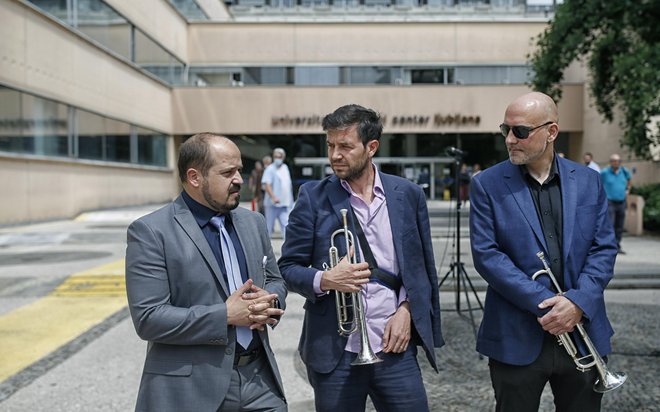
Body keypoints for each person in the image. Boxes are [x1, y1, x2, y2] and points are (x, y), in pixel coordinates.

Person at [278, 104, 444, 412]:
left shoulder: (407, 194)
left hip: (395, 347)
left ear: (371, 147)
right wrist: (325, 279)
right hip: (336, 352)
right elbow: (287, 268)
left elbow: (421, 268)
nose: (335, 155)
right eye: (330, 146)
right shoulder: (312, 197)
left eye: (345, 146)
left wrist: (407, 309)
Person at [469, 92, 618, 411]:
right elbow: (488, 256)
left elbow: (604, 248)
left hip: (585, 332)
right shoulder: (486, 184)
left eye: (520, 131)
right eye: (505, 130)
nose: (510, 139)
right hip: (515, 336)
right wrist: (552, 306)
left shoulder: (589, 181)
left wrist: (577, 302)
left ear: (551, 132)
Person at [125, 133, 287, 412]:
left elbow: (274, 279)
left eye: (239, 169)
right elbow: (149, 318)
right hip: (192, 389)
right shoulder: (151, 232)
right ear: (194, 177)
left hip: (260, 381)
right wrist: (225, 316)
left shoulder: (254, 222)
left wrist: (270, 300)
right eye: (227, 172)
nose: (238, 179)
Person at [600, 153, 632, 254]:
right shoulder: (605, 172)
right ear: (610, 162)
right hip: (610, 201)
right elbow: (598, 183)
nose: (616, 163)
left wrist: (628, 189)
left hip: (621, 201)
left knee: (620, 225)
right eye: (614, 161)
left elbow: (629, 179)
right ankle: (609, 245)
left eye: (618, 161)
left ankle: (617, 245)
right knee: (611, 224)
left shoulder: (624, 171)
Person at [262, 148, 294, 240]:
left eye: (279, 157)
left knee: (286, 227)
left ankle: (287, 251)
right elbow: (267, 184)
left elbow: (288, 185)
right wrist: (273, 197)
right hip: (272, 204)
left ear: (283, 157)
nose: (277, 158)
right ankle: (265, 251)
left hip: (284, 204)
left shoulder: (285, 168)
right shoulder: (270, 169)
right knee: (269, 227)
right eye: (275, 156)